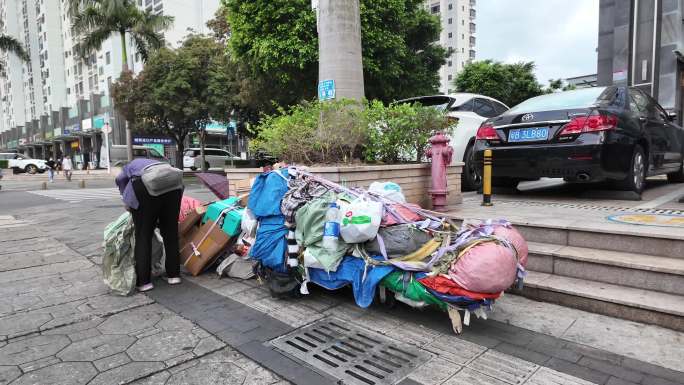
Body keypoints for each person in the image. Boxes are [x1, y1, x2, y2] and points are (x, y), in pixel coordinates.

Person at [115, 158, 183, 292]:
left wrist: (126, 198)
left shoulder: (130, 166)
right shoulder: (161, 164)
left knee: (143, 235)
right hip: (173, 189)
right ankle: (174, 276)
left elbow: (120, 179)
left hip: (144, 189)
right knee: (171, 234)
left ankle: (144, 282)